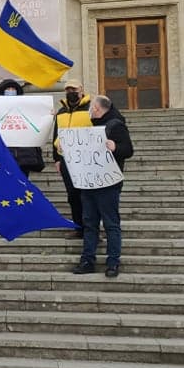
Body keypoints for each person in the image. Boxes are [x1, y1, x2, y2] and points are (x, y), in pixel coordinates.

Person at [72, 95, 134, 278]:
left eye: (92, 107)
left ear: (98, 109)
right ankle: (87, 260)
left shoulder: (116, 126)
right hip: (89, 181)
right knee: (89, 223)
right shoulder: (90, 126)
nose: (90, 110)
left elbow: (128, 150)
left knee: (110, 223)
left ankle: (113, 262)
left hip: (108, 183)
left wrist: (115, 147)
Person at [52, 79, 93, 237]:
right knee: (72, 195)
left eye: (73, 89)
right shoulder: (61, 112)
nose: (71, 93)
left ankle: (91, 228)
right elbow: (56, 134)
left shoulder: (90, 108)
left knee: (87, 196)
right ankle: (78, 227)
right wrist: (56, 158)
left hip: (86, 158)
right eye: (68, 90)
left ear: (81, 90)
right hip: (66, 159)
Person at [0, 78, 46, 177]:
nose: (10, 91)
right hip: (3, 154)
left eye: (13, 89)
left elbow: (37, 122)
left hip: (24, 156)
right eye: (8, 89)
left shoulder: (26, 107)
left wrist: (48, 115)